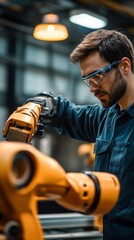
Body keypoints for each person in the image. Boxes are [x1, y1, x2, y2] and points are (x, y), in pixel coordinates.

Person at [21, 29, 134, 239]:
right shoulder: (107, 118)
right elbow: (70, 115)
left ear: (124, 66)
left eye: (98, 76)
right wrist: (46, 105)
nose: (92, 88)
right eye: (87, 80)